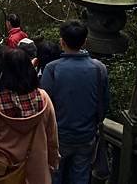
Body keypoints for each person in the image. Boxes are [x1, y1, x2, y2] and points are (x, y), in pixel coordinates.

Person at [0, 48, 59, 183]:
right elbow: (52, 138)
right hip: (36, 172)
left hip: (2, 173)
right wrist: (53, 163)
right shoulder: (43, 99)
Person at [41, 20, 109, 184]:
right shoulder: (99, 69)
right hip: (86, 136)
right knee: (80, 177)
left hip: (58, 136)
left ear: (62, 41)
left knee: (55, 176)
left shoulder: (52, 69)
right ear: (85, 41)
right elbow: (104, 104)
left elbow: (44, 106)